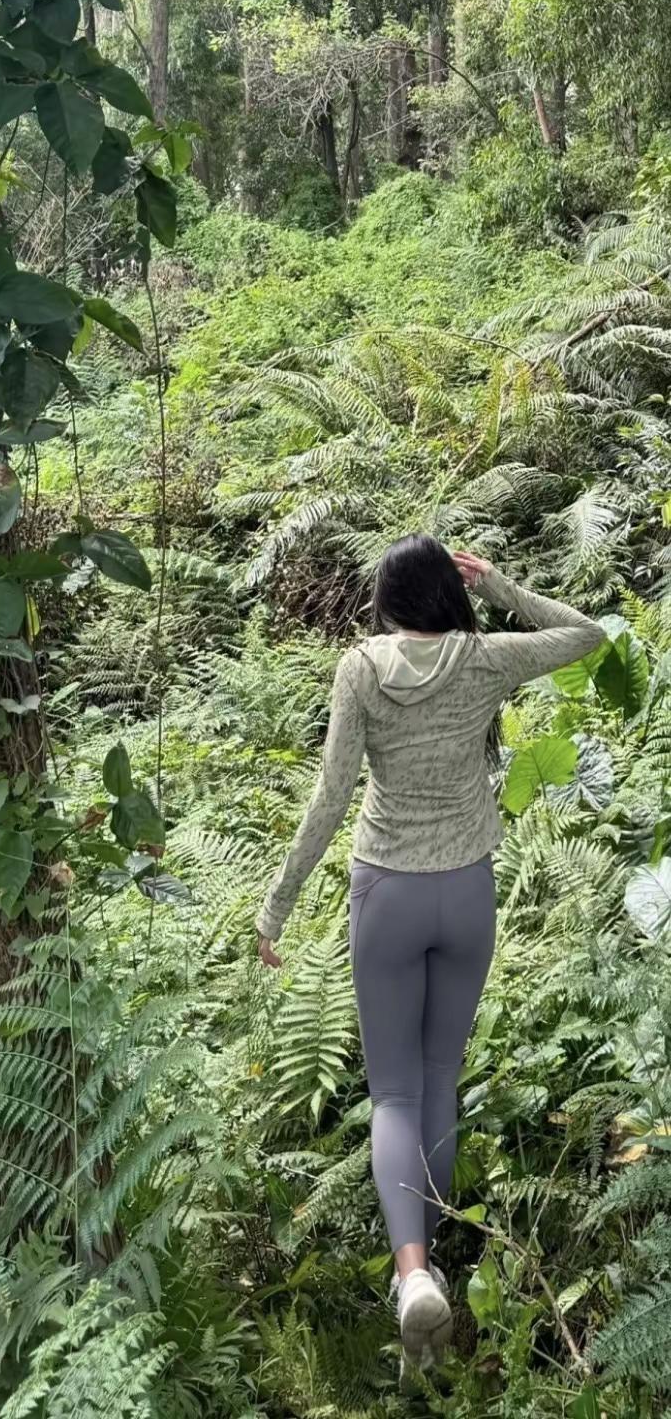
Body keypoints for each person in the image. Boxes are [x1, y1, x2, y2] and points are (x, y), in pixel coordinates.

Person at [256, 535, 605, 1380]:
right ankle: (435, 1264)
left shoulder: (361, 670)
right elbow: (588, 634)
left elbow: (331, 796)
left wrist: (276, 906)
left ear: (384, 601)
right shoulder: (483, 658)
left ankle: (412, 1274)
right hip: (467, 893)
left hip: (387, 894)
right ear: (450, 591)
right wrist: (502, 587)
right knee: (440, 1075)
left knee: (395, 1092)